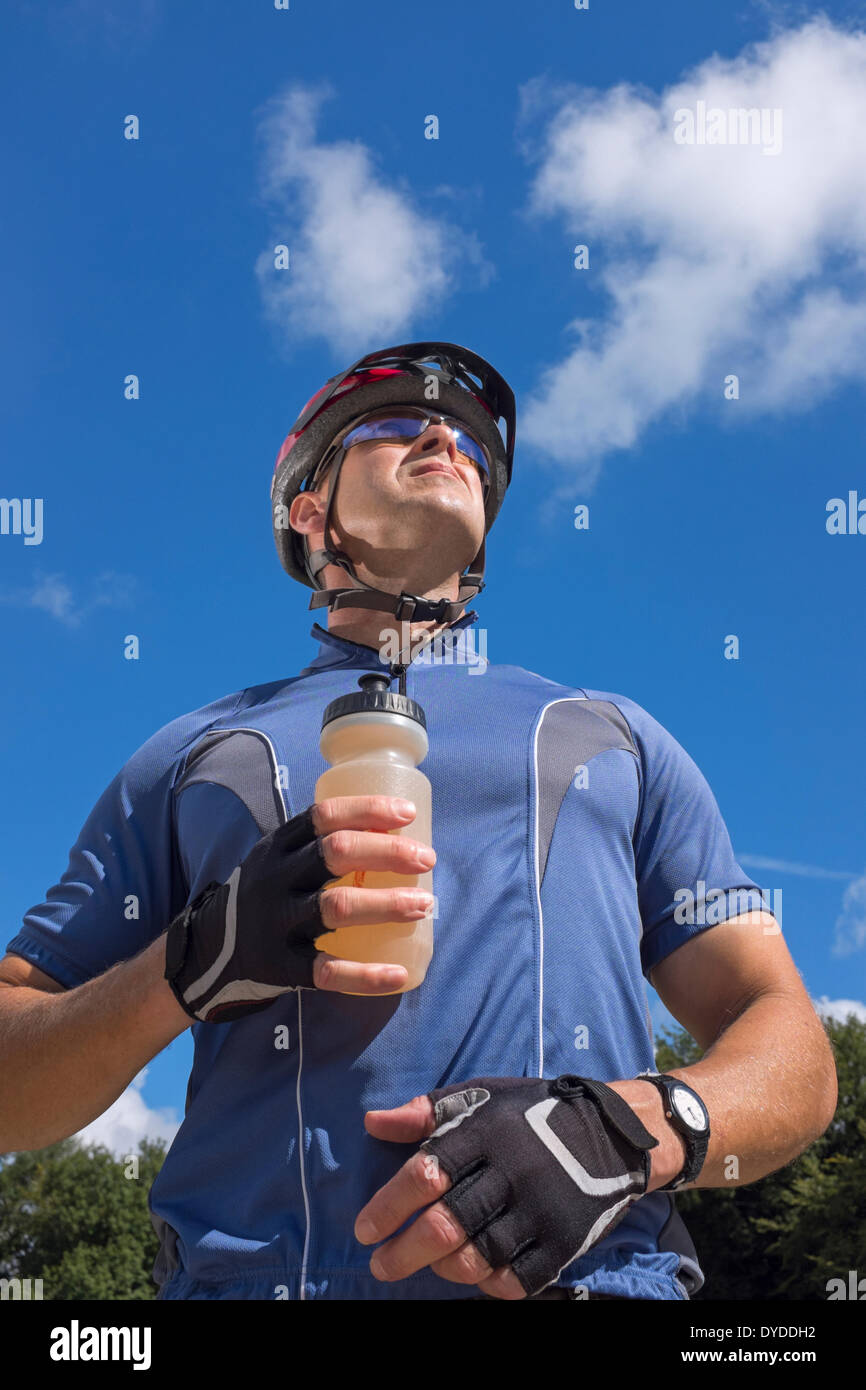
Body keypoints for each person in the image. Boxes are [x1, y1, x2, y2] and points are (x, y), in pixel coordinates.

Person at [0, 342, 837, 1302]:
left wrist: (624, 1132)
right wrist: (187, 965)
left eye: (471, 444)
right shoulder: (193, 755)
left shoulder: (615, 737)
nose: (444, 435)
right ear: (309, 514)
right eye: (393, 424)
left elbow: (794, 1052)